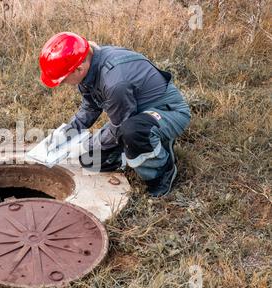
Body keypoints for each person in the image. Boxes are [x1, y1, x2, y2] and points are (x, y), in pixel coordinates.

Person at [39, 32, 191, 197]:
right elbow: (90, 107)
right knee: (90, 159)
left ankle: (162, 171)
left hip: (167, 111)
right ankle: (138, 152)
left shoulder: (114, 82)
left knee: (132, 132)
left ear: (78, 69)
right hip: (133, 114)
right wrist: (67, 133)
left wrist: (89, 144)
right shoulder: (88, 68)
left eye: (63, 80)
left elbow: (119, 127)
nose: (63, 84)